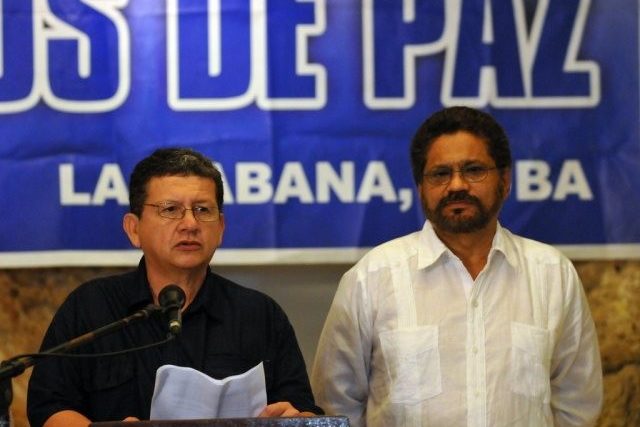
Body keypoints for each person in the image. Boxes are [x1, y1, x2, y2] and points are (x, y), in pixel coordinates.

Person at [311, 106, 603, 426]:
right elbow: (335, 406)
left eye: (473, 170)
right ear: (421, 188)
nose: (456, 185)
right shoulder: (371, 279)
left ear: (505, 181)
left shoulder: (552, 275)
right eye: (440, 174)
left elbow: (577, 405)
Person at [27, 148, 322, 427]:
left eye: (202, 209)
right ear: (134, 229)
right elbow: (49, 407)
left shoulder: (259, 314)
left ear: (220, 228)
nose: (190, 223)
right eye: (170, 209)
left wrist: (295, 418)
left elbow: (303, 409)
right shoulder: (92, 307)